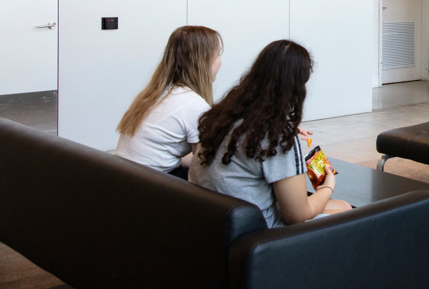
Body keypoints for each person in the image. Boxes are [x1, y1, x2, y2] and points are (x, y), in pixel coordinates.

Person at [190, 40, 351, 225]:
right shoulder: (277, 137)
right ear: (297, 87)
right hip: (256, 233)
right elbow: (297, 215)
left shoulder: (222, 115)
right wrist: (327, 187)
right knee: (345, 210)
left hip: (209, 221)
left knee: (340, 205)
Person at [116, 25, 223, 178]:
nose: (220, 61)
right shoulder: (194, 105)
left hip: (122, 176)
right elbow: (203, 167)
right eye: (218, 55)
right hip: (150, 184)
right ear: (204, 61)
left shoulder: (154, 94)